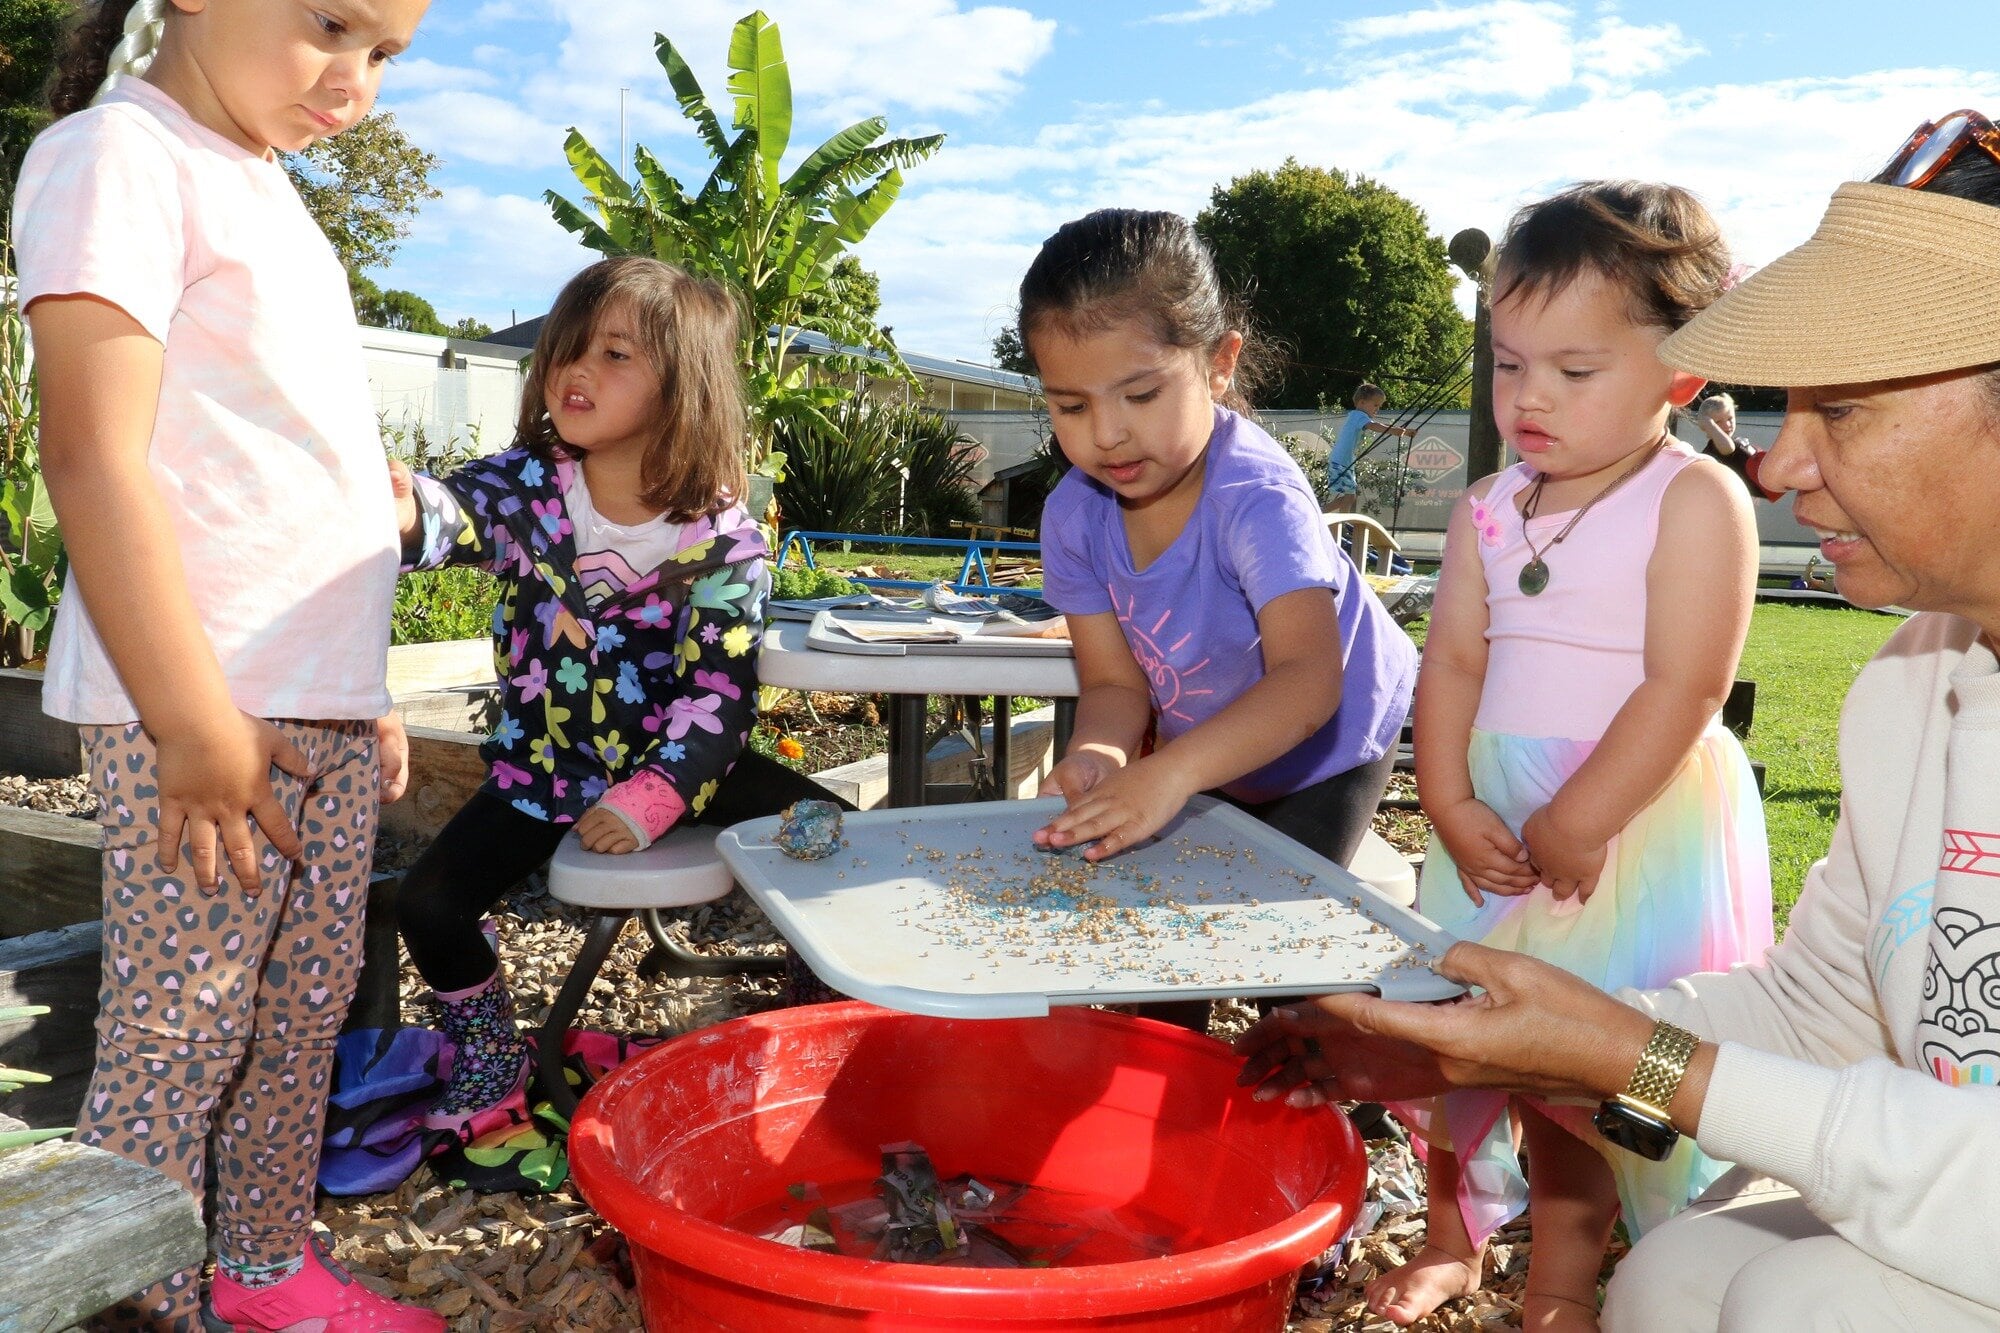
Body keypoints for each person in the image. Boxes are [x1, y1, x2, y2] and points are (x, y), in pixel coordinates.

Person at [1237, 110, 2000, 1332]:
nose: (1774, 462)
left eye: (1840, 412)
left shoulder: (1691, 503)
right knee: (1666, 1287)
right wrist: (1476, 1045)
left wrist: (1623, 1054)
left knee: (1792, 1301)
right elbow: (1816, 1010)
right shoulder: (1910, 691)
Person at [12, 2, 442, 1330]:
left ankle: (260, 1266)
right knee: (179, 1030)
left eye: (385, 55)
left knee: (301, 1014)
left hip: (307, 712)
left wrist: (361, 690)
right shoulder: (115, 157)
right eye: (332, 26)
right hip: (199, 714)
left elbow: (278, 474)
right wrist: (194, 718)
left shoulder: (260, 183)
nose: (355, 83)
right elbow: (94, 453)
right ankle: (134, 1297)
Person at [1377, 182, 1772, 1331]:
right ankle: (1452, 1235)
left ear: (1680, 372)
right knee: (1460, 1032)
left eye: (1572, 370)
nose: (1527, 397)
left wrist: (1583, 816)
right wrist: (1446, 798)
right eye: (1507, 365)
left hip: (1628, 817)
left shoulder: (1693, 497)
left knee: (1578, 1067)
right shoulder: (1489, 507)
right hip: (1493, 810)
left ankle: (1559, 1278)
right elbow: (1449, 663)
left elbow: (1685, 685)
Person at [390, 256, 841, 1135]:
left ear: (683, 388)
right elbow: (456, 513)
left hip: (678, 766)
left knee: (830, 842)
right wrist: (407, 508)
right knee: (427, 905)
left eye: (614, 354)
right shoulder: (532, 487)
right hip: (546, 768)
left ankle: (806, 1031)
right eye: (567, 350)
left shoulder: (725, 542)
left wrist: (654, 796)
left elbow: (718, 693)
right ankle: (490, 1055)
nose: (574, 371)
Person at [1021, 207, 1418, 899]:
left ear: (1218, 365)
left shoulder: (1257, 497)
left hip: (1334, 740)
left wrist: (1172, 772)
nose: (1107, 434)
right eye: (1071, 407)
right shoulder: (1073, 516)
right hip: (1212, 752)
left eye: (1140, 394)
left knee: (1281, 940)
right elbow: (1116, 685)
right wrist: (1098, 753)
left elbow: (1307, 680)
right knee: (1170, 924)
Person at [1327, 382, 1417, 514]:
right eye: (1375, 405)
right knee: (1350, 496)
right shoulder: (1358, 416)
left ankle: (1328, 517)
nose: (1377, 409)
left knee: (1348, 497)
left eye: (1379, 406)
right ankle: (1334, 522)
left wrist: (1405, 432)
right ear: (1362, 402)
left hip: (1344, 462)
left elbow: (1376, 425)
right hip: (1341, 462)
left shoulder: (1356, 416)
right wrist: (1396, 431)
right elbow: (1374, 426)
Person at [1693, 393, 1781, 501]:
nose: (1727, 425)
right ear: (1707, 427)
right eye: (1717, 422)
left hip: (1759, 484)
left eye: (1730, 418)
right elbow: (1728, 448)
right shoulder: (1717, 446)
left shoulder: (1737, 441)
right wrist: (1709, 423)